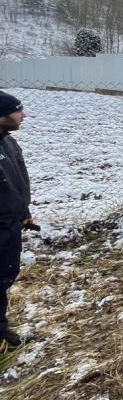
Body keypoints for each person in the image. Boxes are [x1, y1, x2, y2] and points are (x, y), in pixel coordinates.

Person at [0, 91, 35, 347]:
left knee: (3, 278)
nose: (23, 115)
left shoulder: (8, 142)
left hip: (10, 225)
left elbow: (17, 180)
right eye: (17, 110)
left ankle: (1, 331)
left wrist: (23, 213)